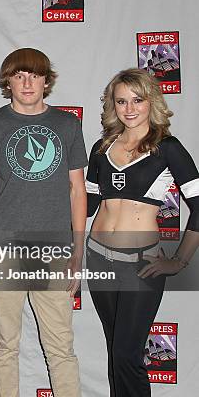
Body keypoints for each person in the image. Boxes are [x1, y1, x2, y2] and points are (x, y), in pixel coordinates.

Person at [0, 48, 85, 397]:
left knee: (61, 348)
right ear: (8, 81)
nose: (27, 82)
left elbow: (77, 190)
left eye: (34, 75)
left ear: (46, 80)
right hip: (2, 250)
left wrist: (77, 252)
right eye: (19, 75)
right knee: (5, 346)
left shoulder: (67, 125)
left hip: (53, 251)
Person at [85, 68, 198, 397]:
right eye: (121, 101)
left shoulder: (168, 148)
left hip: (140, 265)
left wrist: (179, 261)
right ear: (112, 105)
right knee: (115, 352)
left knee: (127, 354)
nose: (129, 108)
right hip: (98, 260)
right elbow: (89, 205)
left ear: (152, 101)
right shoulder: (101, 147)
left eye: (137, 100)